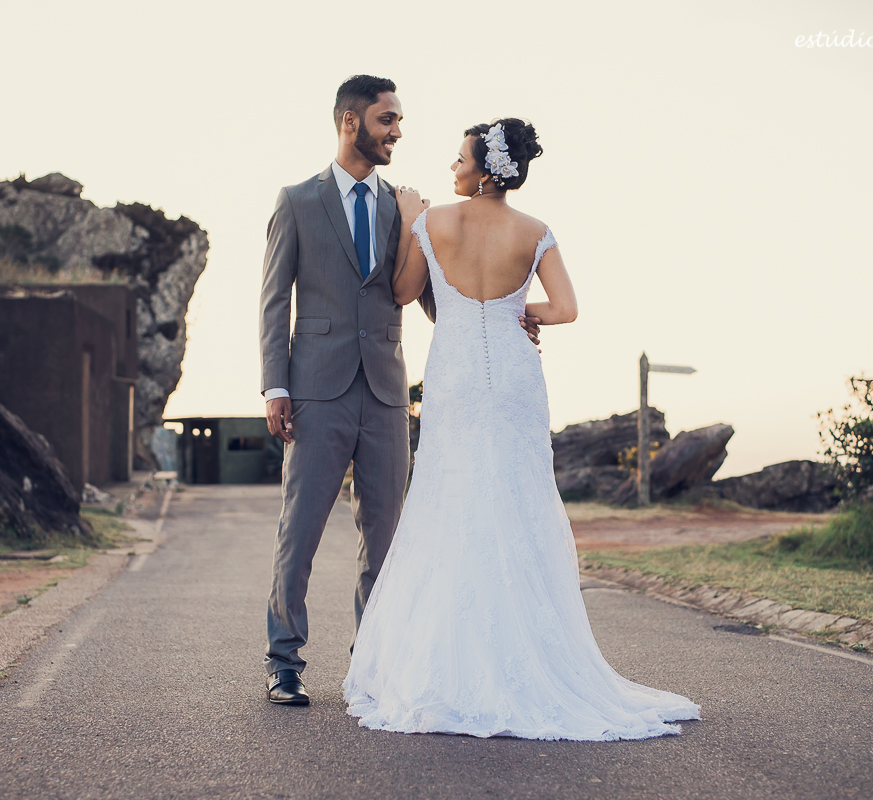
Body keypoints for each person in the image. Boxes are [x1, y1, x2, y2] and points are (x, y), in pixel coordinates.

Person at [342, 119, 701, 739]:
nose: (450, 169)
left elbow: (403, 292)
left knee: (448, 502)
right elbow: (565, 309)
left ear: (483, 171)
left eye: (458, 161)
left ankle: (447, 661)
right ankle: (532, 652)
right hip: (512, 377)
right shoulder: (535, 231)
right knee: (517, 500)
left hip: (453, 378)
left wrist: (405, 220)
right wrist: (517, 311)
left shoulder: (431, 221)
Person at [258, 78, 543, 705]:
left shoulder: (408, 210)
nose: (397, 132)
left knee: (386, 537)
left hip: (388, 395)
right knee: (299, 530)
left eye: (399, 121)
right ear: (349, 121)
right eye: (387, 119)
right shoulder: (297, 201)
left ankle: (376, 662)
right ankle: (284, 663)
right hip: (315, 393)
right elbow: (275, 299)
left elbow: (444, 299)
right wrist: (276, 385)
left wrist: (509, 312)